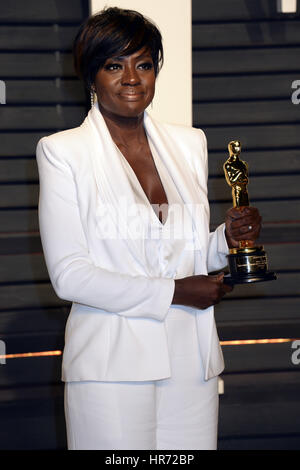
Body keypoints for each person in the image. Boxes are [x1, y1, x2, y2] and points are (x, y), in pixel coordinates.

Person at [36, 7, 261, 450]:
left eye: (143, 64)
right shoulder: (64, 153)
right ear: (91, 76)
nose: (132, 78)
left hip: (191, 359)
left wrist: (226, 241)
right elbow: (70, 275)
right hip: (111, 365)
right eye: (114, 65)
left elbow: (191, 250)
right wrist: (175, 292)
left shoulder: (188, 142)